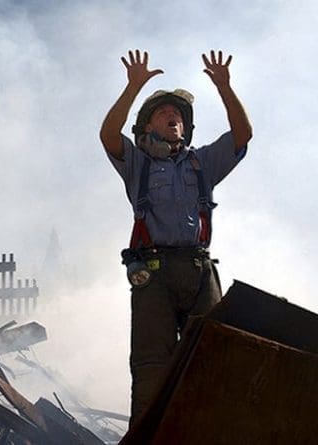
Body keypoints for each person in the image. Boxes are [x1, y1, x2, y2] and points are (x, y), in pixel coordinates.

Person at [99, 49, 252, 424]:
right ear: (147, 127)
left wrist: (225, 88)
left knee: (214, 357)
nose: (174, 117)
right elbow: (108, 135)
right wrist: (133, 87)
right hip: (154, 275)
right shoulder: (138, 164)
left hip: (199, 272)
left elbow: (242, 135)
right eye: (164, 114)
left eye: (179, 116)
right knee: (152, 366)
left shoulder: (201, 162)